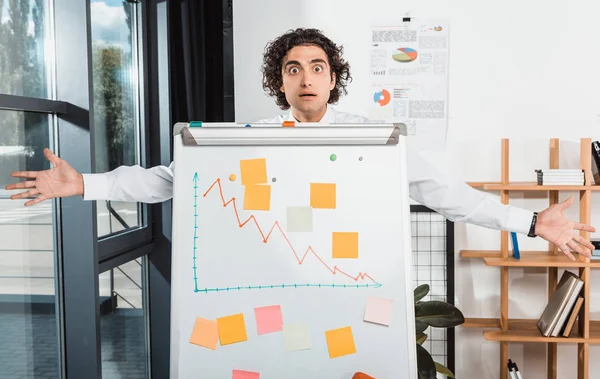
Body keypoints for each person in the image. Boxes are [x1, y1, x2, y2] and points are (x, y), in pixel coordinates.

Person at [5, 28, 594, 260]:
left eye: (317, 66)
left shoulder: (376, 139)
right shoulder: (251, 141)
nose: (306, 77)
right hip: (274, 280)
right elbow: (167, 178)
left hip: (360, 284)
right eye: (293, 68)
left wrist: (531, 220)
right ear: (279, 81)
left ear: (334, 77)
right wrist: (85, 184)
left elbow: (446, 194)